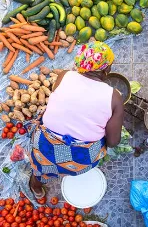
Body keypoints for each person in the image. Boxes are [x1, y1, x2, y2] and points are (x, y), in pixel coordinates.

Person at [28, 42, 124, 199]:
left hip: (44, 148)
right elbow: (113, 142)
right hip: (81, 160)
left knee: (39, 166)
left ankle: (35, 184)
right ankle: (67, 169)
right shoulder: (114, 97)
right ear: (106, 69)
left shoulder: (64, 75)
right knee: (99, 140)